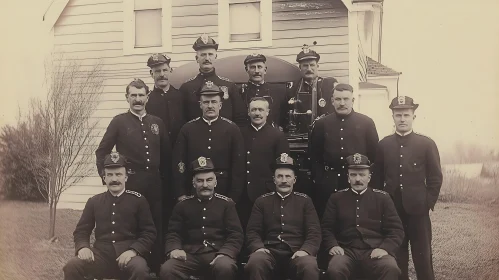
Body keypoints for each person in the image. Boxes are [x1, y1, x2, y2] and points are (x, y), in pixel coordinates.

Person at [95, 78, 171, 273]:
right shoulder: (119, 121)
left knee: (155, 223)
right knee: (133, 224)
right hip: (131, 182)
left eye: (141, 95)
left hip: (154, 184)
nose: (137, 99)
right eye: (133, 95)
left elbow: (167, 156)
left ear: (147, 97)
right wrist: (108, 177)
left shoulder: (157, 123)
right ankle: (131, 266)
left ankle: (155, 269)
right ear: (127, 98)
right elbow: (102, 151)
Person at [372, 96, 443, 280]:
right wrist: (382, 206)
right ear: (393, 117)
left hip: (418, 212)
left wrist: (427, 202)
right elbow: (377, 179)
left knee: (423, 258)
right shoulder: (383, 145)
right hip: (392, 211)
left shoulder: (426, 144)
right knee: (397, 257)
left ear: (414, 117)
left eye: (406, 115)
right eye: (398, 115)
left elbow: (435, 178)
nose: (402, 119)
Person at [63, 152, 156, 280]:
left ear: (126, 177)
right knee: (72, 266)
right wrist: (83, 247)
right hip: (101, 256)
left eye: (118, 174)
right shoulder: (94, 202)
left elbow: (149, 232)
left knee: (140, 269)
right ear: (104, 178)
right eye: (110, 175)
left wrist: (133, 251)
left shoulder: (138, 201)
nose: (114, 179)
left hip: (128, 255)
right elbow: (81, 231)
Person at [321, 153, 404, 280]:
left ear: (369, 177)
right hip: (346, 250)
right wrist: (333, 245)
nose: (358, 179)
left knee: (390, 268)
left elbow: (396, 230)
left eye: (362, 175)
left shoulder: (383, 198)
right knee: (335, 269)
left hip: (375, 249)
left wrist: (384, 248)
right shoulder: (336, 198)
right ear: (348, 178)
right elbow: (326, 228)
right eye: (353, 175)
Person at [160, 157, 243, 280]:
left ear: (215, 182)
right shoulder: (182, 205)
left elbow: (236, 234)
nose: (205, 185)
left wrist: (225, 253)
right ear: (193, 183)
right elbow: (173, 233)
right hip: (190, 256)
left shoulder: (226, 204)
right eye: (200, 181)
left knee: (225, 266)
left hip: (218, 253)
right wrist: (175, 249)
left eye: (209, 180)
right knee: (168, 269)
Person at [244, 153, 321, 280]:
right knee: (255, 262)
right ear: (274, 180)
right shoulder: (262, 202)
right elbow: (252, 232)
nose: (284, 180)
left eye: (287, 176)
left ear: (294, 180)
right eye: (279, 176)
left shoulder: (305, 201)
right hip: (269, 252)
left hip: (297, 252)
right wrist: (258, 248)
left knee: (309, 265)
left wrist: (305, 250)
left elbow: (314, 232)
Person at [308, 83, 379, 218]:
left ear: (352, 101)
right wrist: (321, 179)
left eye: (346, 99)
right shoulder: (322, 124)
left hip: (356, 182)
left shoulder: (366, 123)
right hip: (328, 182)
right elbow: (314, 156)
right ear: (332, 101)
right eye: (338, 99)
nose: (342, 103)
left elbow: (375, 156)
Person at [172, 81, 245, 203]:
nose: (210, 106)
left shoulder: (232, 129)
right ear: (200, 105)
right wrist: (181, 193)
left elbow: (238, 166)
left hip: (224, 189)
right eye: (206, 102)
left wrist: (233, 196)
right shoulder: (188, 129)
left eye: (214, 102)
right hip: (195, 189)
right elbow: (179, 163)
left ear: (220, 105)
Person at [238, 97, 290, 230]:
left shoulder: (277, 136)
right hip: (243, 192)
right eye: (253, 110)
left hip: (266, 191)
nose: (257, 113)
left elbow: (282, 168)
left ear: (267, 112)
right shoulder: (239, 133)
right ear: (248, 112)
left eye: (261, 110)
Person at [179, 34, 247, 126]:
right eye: (203, 55)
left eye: (210, 54)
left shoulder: (229, 86)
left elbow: (240, 117)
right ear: (196, 58)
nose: (207, 58)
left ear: (215, 57)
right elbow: (181, 119)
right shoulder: (187, 88)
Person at [287, 44, 338, 133]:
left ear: (317, 66)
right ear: (300, 68)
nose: (309, 69)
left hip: (325, 133)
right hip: (301, 134)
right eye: (305, 66)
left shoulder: (328, 85)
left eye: (312, 65)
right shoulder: (293, 88)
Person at [145, 53, 186, 146]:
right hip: (157, 151)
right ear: (151, 74)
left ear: (170, 71)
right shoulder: (147, 100)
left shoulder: (180, 96)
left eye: (165, 70)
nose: (162, 74)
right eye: (157, 71)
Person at [240, 53, 289, 129]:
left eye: (259, 67)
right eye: (253, 67)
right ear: (247, 70)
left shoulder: (279, 91)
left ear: (265, 70)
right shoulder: (240, 92)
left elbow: (285, 115)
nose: (256, 71)